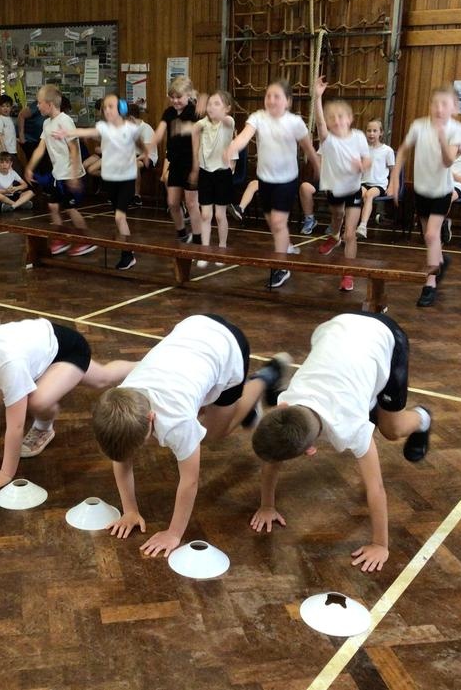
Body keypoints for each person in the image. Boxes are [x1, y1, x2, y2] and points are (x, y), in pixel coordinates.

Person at [92, 314, 292, 556]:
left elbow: (190, 481)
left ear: (152, 418)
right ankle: (239, 407)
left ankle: (266, 377)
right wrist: (130, 511)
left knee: (214, 434)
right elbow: (121, 459)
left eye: (140, 444)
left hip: (229, 348)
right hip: (194, 328)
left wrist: (173, 534)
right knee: (203, 411)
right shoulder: (120, 398)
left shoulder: (177, 422)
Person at [250, 312, 432, 573]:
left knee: (392, 429)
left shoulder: (352, 427)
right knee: (366, 404)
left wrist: (380, 544)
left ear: (309, 449)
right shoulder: (287, 402)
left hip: (386, 338)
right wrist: (266, 505)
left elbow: (376, 488)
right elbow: (271, 458)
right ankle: (369, 400)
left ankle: (423, 418)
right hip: (338, 326)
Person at [0, 317, 136, 492]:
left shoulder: (10, 366)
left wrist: (6, 473)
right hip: (42, 347)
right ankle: (141, 365)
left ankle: (44, 427)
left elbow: (16, 427)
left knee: (38, 401)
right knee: (103, 377)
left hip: (69, 349)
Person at [225, 80, 319, 288]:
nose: (272, 100)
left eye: (277, 96)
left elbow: (308, 148)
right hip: (265, 180)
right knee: (274, 223)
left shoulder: (294, 122)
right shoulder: (258, 117)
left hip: (286, 181)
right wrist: (231, 147)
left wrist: (318, 166)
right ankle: (286, 245)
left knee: (277, 222)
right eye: (268, 96)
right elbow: (244, 137)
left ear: (288, 101)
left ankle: (281, 267)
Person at [388, 87, 461, 307]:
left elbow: (448, 161)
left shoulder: (456, 129)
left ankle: (429, 284)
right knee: (429, 238)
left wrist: (441, 138)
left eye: (444, 104)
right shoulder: (419, 125)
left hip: (442, 191)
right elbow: (403, 150)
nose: (439, 108)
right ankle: (440, 260)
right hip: (421, 190)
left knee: (431, 234)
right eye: (435, 103)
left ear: (454, 108)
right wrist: (395, 178)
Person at [56, 94, 146, 269]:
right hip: (110, 180)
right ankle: (128, 252)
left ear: (120, 109)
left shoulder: (129, 128)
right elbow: (87, 132)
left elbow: (140, 143)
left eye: (111, 106)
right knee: (119, 219)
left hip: (127, 179)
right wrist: (68, 132)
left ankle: (127, 255)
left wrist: (146, 154)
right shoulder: (103, 127)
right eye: (105, 107)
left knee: (120, 217)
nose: (107, 110)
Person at [312, 77, 371, 292]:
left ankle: (348, 273)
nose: (336, 121)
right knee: (337, 217)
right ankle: (334, 237)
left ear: (350, 119)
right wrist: (317, 97)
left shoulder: (359, 137)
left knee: (350, 234)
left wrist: (361, 166)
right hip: (335, 189)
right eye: (332, 118)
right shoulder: (328, 140)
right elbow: (319, 123)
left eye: (341, 116)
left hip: (353, 189)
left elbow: (367, 160)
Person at [24, 84, 96, 257]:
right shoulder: (47, 124)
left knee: (71, 209)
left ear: (49, 104)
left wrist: (74, 175)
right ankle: (60, 238)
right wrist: (29, 167)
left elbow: (74, 149)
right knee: (53, 206)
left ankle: (86, 240)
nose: (37, 106)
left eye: (39, 102)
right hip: (58, 175)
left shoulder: (65, 121)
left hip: (70, 175)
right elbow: (41, 148)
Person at [148, 76, 203, 243]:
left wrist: (195, 169)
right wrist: (147, 148)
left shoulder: (194, 112)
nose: (175, 101)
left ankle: (198, 239)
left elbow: (198, 137)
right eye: (172, 97)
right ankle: (182, 234)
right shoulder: (169, 113)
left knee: (192, 203)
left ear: (188, 95)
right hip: (176, 163)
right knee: (172, 202)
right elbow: (159, 132)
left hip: (191, 162)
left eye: (179, 97)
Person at [189, 90, 237, 268]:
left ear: (227, 108)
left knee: (219, 215)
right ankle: (205, 250)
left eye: (217, 104)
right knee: (205, 214)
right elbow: (192, 129)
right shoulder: (203, 123)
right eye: (209, 104)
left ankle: (222, 248)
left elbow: (226, 120)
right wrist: (198, 105)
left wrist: (216, 113)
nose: (211, 107)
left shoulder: (228, 122)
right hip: (205, 172)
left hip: (222, 174)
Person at [358, 119, 395, 239]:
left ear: (381, 133)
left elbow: (393, 171)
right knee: (358, 195)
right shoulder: (363, 149)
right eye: (369, 131)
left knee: (369, 195)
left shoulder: (387, 151)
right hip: (364, 182)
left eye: (375, 131)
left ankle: (363, 226)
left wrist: (391, 186)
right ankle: (350, 226)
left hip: (379, 184)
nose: (371, 133)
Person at [128, 103, 157, 207]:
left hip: (148, 157)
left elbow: (147, 152)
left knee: (134, 165)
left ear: (130, 118)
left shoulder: (146, 128)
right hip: (134, 156)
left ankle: (136, 196)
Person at [18, 97, 50, 178]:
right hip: (29, 140)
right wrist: (22, 137)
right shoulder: (36, 105)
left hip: (39, 140)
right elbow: (21, 115)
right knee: (35, 164)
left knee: (43, 164)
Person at [0, 94, 18, 160]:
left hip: (12, 150)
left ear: (11, 107)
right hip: (6, 151)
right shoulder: (0, 119)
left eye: (8, 106)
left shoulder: (10, 119)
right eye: (3, 106)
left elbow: (10, 133)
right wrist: (4, 150)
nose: (5, 108)